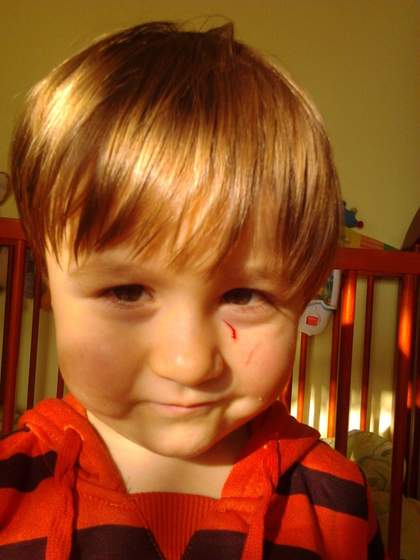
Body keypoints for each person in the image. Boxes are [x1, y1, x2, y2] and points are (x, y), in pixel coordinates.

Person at [0, 21, 384, 560]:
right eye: (127, 291)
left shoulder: (339, 503)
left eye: (243, 296)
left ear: (302, 291)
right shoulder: (9, 492)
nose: (189, 364)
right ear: (46, 282)